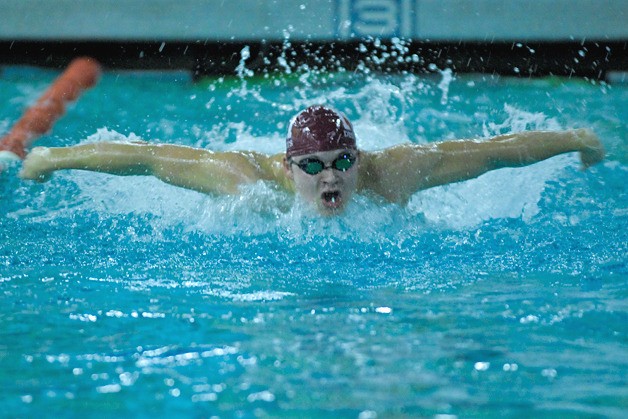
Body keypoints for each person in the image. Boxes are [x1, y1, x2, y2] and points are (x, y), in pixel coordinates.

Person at [19, 105, 605, 215]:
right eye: (314, 164)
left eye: (342, 160)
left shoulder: (392, 174)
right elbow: (145, 159)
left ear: (361, 156)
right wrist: (52, 156)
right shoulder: (247, 181)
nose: (330, 174)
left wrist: (577, 137)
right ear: (286, 166)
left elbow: (489, 154)